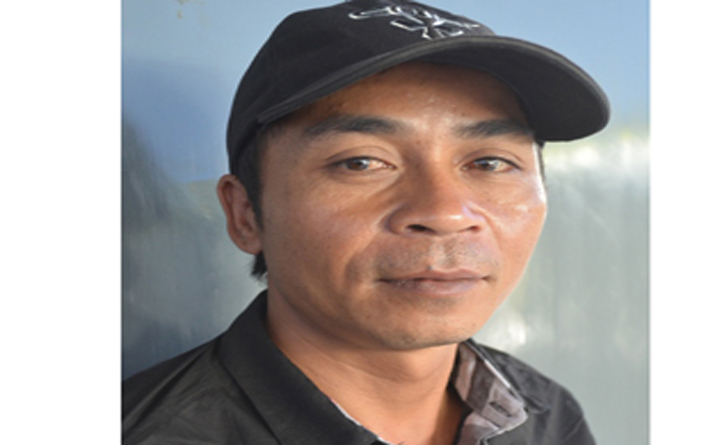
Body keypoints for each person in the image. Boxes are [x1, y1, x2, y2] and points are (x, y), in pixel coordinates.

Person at [122, 0, 609, 444]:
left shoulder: (544, 416)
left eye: (489, 163)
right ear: (246, 213)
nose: (445, 213)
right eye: (361, 163)